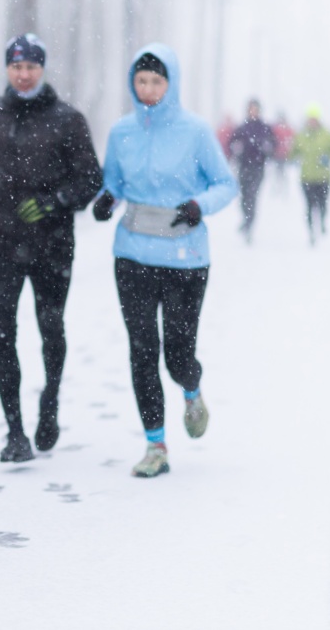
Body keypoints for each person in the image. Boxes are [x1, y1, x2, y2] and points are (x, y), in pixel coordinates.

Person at [92, 43, 237, 478]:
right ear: (132, 83)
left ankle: (191, 388)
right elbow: (113, 182)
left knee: (176, 352)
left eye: (157, 81)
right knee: (142, 350)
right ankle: (156, 444)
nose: (149, 88)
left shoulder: (195, 131)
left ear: (170, 84)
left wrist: (199, 204)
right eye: (141, 80)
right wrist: (106, 201)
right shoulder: (122, 132)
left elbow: (225, 183)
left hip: (185, 257)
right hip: (132, 253)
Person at [0, 33, 101, 463]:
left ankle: (51, 401)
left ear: (43, 69)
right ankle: (14, 432)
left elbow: (91, 180)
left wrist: (54, 202)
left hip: (52, 245)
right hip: (1, 242)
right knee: (3, 333)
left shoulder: (68, 119)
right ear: (8, 69)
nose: (23, 75)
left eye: (31, 67)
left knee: (50, 328)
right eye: (17, 67)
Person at [228, 98, 275, 243]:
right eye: (251, 109)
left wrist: (268, 149)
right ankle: (246, 218)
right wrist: (236, 149)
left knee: (252, 196)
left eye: (255, 109)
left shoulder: (265, 127)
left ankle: (249, 224)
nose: (253, 112)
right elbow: (231, 143)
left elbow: (274, 144)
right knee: (244, 196)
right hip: (243, 166)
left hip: (258, 167)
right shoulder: (242, 128)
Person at [290, 102, 330, 245]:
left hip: (323, 178)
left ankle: (322, 220)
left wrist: (328, 157)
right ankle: (311, 232)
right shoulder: (301, 135)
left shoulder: (327, 135)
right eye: (310, 119)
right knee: (309, 206)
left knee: (322, 204)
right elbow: (293, 152)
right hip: (306, 177)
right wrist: (293, 158)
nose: (312, 122)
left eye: (314, 119)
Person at [271, 111, 295, 190]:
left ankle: (282, 187)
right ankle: (279, 186)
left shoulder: (285, 129)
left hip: (282, 154)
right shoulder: (278, 129)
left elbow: (292, 140)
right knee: (279, 171)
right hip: (279, 154)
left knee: (281, 171)